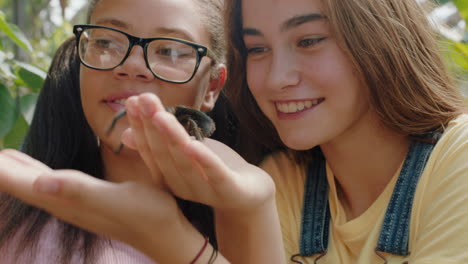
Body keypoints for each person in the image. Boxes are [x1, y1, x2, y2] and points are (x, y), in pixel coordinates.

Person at [1, 0, 467, 263]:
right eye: (257, 49)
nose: (277, 77)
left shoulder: (456, 160)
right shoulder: (287, 182)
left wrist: (173, 238)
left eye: (308, 40)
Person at [0, 0, 286, 263]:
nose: (132, 65)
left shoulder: (267, 212)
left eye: (170, 51)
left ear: (211, 87)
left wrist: (252, 208)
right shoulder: (15, 218)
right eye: (106, 42)